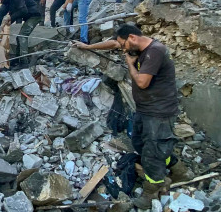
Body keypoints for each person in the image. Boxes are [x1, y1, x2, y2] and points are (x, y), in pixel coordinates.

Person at [75, 25, 194, 209]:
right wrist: (87, 47)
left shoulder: (155, 51)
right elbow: (113, 43)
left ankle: (151, 191)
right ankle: (178, 170)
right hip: (145, 109)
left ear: (132, 37)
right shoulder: (135, 44)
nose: (123, 50)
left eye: (124, 45)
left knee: (152, 152)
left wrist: (130, 63)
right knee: (140, 142)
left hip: (159, 112)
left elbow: (142, 82)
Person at [0, 0, 42, 68]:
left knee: (22, 36)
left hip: (34, 15)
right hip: (28, 15)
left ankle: (24, 63)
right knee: (18, 37)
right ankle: (17, 58)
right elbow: (1, 13)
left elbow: (23, 10)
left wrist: (10, 18)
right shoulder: (6, 0)